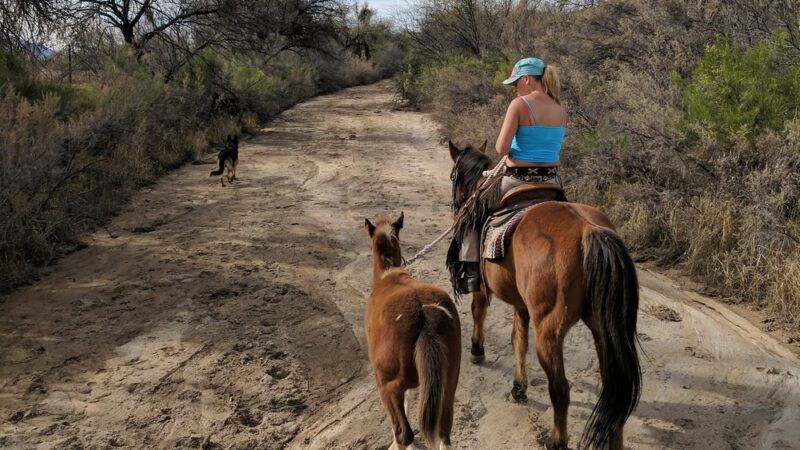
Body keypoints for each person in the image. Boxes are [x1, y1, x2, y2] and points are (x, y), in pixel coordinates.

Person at [459, 57, 567, 292]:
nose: (515, 88)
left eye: (516, 82)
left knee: (471, 208)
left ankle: (471, 271)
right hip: (551, 181)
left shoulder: (520, 105)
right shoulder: (560, 108)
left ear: (527, 79)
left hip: (517, 180)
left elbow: (501, 148)